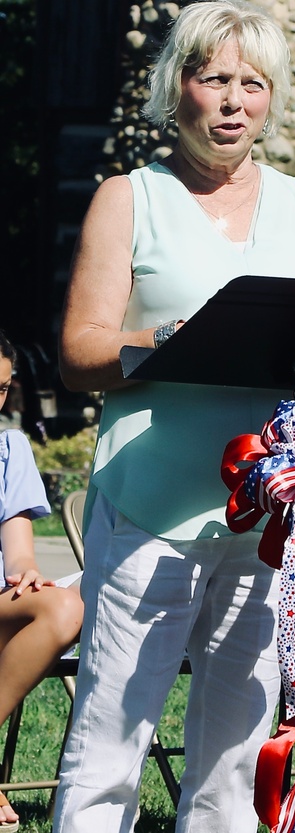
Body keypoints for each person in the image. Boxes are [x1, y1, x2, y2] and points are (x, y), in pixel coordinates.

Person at [52, 1, 295, 829]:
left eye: (251, 83)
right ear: (173, 85)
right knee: (112, 734)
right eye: (213, 77)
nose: (232, 100)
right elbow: (79, 352)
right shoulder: (129, 198)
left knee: (237, 749)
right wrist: (161, 342)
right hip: (152, 508)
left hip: (268, 519)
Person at [0, 330, 84, 831]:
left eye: (3, 389)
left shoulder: (9, 449)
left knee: (64, 605)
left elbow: (19, 549)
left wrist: (27, 571)